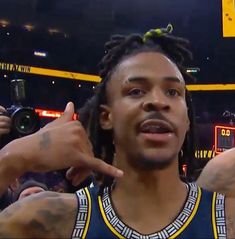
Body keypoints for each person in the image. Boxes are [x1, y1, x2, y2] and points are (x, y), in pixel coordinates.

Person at [0, 25, 235, 238]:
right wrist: (13, 158)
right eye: (136, 91)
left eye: (172, 92)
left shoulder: (226, 218)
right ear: (106, 117)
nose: (157, 102)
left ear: (187, 120)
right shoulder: (54, 219)